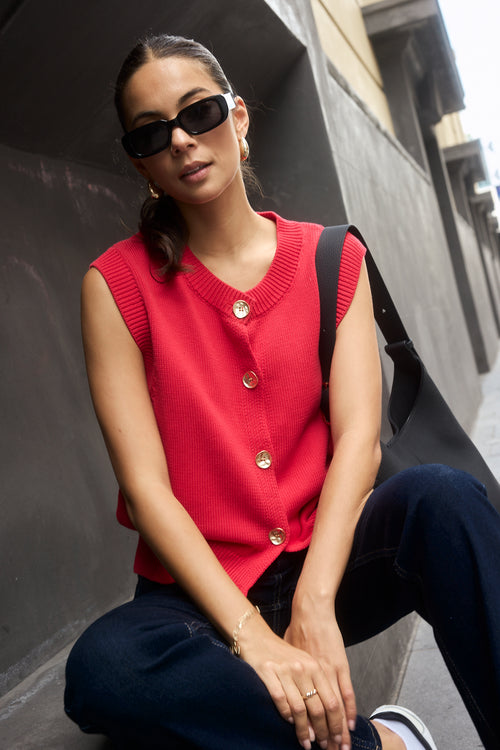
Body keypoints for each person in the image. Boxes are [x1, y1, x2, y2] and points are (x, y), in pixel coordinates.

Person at [64, 34, 500, 750]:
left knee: (445, 500)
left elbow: (359, 441)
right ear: (140, 162)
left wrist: (316, 601)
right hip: (197, 596)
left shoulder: (332, 259)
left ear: (238, 119)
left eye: (197, 113)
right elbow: (148, 495)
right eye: (152, 132)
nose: (180, 139)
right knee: (107, 670)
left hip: (329, 558)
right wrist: (252, 638)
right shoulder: (115, 287)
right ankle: (383, 745)